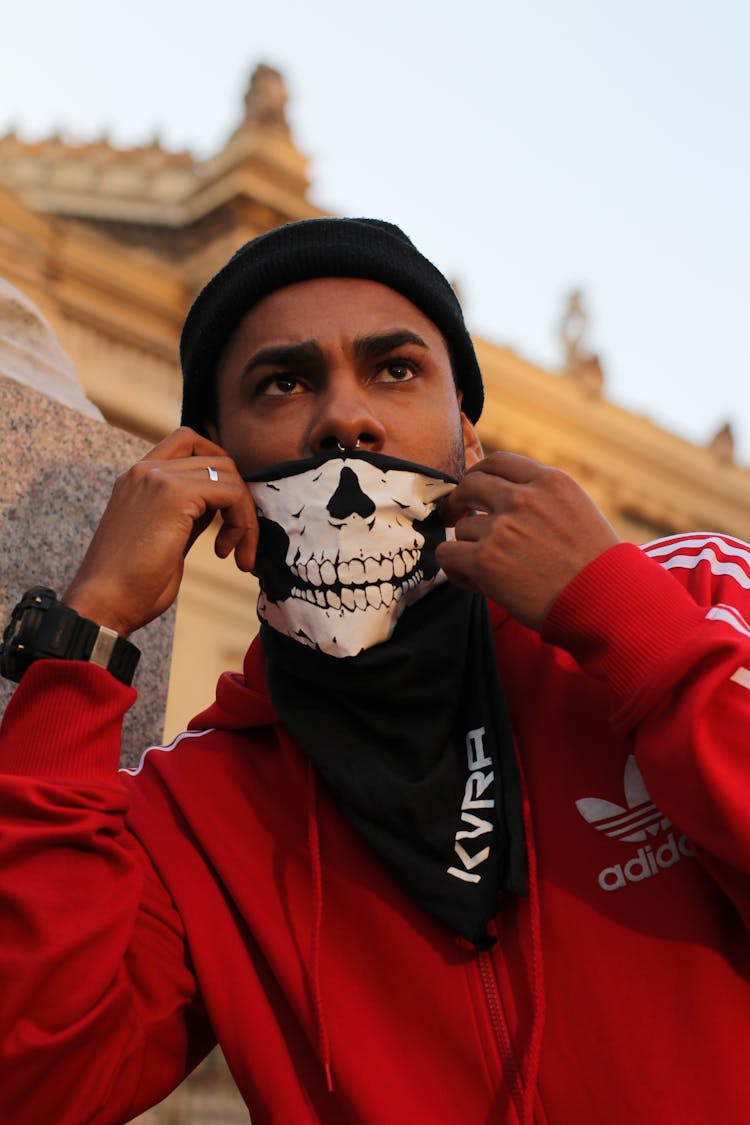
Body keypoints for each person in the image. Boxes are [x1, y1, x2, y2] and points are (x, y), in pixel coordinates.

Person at [1, 218, 749, 1125]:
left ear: (467, 438)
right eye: (285, 381)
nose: (345, 418)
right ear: (214, 472)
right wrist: (88, 633)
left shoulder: (697, 598)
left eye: (396, 368)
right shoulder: (200, 813)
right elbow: (31, 1076)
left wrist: (625, 627)